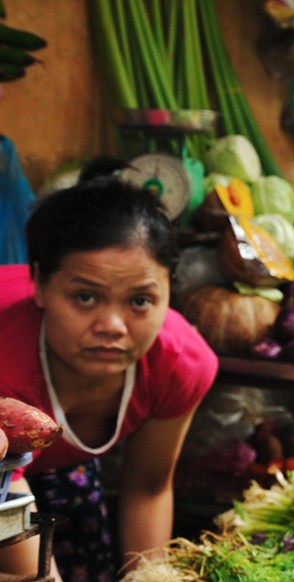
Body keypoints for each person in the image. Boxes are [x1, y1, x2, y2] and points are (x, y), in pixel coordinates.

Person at [0, 173, 218, 580]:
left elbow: (148, 488)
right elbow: (5, 499)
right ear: (40, 284)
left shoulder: (181, 362)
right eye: (85, 297)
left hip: (56, 468)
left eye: (140, 300)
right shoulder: (5, 359)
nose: (113, 326)